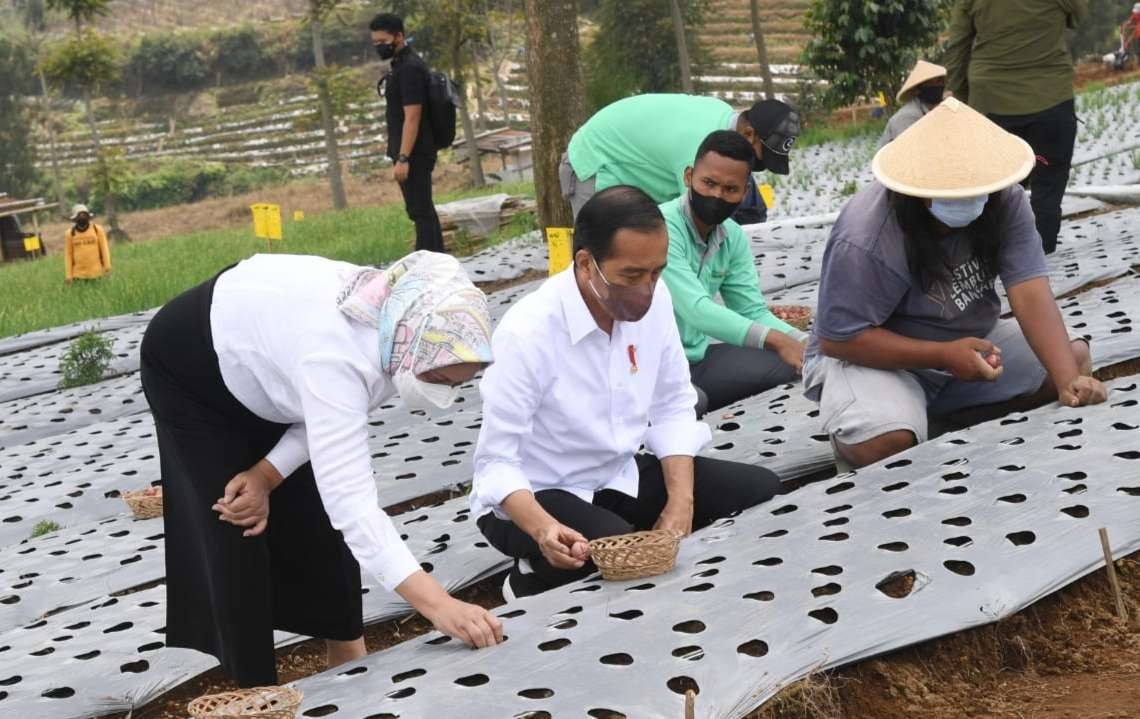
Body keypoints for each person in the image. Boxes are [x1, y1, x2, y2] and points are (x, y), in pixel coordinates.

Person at [139, 251, 503, 687]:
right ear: (414, 345)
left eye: (456, 384)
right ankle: (257, 693)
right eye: (440, 381)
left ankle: (350, 665)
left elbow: (321, 415)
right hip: (191, 368)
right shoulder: (341, 355)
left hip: (275, 356)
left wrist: (268, 474)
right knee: (237, 520)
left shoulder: (399, 330)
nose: (444, 394)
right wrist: (438, 605)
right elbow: (351, 502)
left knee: (317, 519)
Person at [470, 186, 783, 600]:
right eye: (631, 276)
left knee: (761, 489)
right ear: (585, 264)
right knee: (624, 557)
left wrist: (681, 501)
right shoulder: (527, 334)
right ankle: (533, 573)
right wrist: (544, 529)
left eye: (656, 272)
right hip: (538, 494)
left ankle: (607, 539)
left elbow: (673, 405)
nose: (647, 290)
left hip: (617, 474)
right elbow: (496, 463)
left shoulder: (656, 301)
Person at [804, 98, 1107, 471]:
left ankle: (938, 424)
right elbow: (840, 339)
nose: (966, 202)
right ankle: (890, 421)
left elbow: (1030, 293)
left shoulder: (1004, 200)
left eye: (974, 189)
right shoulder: (867, 234)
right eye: (952, 193)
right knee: (884, 443)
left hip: (967, 344)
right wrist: (942, 355)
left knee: (1070, 361)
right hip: (874, 361)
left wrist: (1067, 384)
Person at [660, 130, 807, 416]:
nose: (717, 195)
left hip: (698, 359)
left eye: (730, 189)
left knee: (794, 364)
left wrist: (802, 342)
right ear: (689, 177)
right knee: (693, 403)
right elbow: (696, 311)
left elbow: (751, 310)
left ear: (745, 192)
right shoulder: (662, 228)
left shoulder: (732, 236)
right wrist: (778, 339)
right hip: (656, 368)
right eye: (708, 183)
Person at [943, 0, 1089, 254]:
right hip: (1050, 98)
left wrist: (962, 100)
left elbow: (958, 45)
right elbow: (1078, 15)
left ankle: (998, 258)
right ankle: (1040, 256)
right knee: (1049, 184)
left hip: (992, 104)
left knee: (996, 191)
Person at [561, 95, 800, 218]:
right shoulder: (698, 150)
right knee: (607, 254)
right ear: (748, 134)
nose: (758, 165)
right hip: (598, 160)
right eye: (762, 157)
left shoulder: (725, 119)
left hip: (643, 163)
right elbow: (691, 223)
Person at [370, 13, 444, 253]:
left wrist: (403, 158)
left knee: (420, 211)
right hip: (411, 150)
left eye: (383, 42)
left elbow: (412, 116)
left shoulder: (410, 68)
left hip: (414, 152)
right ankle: (434, 259)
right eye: (376, 43)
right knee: (421, 209)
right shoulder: (401, 65)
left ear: (399, 36)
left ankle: (428, 262)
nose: (379, 47)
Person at [877, 60, 947, 149]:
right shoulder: (907, 117)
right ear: (917, 90)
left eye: (940, 82)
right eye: (931, 84)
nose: (938, 86)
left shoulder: (936, 110)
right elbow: (910, 152)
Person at [64, 203, 110, 285]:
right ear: (75, 218)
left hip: (97, 274)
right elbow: (69, 255)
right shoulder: (70, 233)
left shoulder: (97, 230)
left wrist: (107, 268)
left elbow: (104, 249)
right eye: (79, 216)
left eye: (84, 215)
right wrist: (69, 275)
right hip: (78, 276)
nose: (82, 218)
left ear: (88, 217)